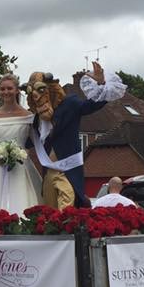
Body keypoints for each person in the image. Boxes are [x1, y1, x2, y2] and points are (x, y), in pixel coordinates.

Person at [26, 62, 127, 209]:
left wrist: (101, 83)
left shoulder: (69, 104)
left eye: (40, 89)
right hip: (48, 172)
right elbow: (27, 142)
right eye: (31, 92)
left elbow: (91, 105)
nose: (36, 96)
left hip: (67, 172)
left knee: (66, 209)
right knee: (49, 212)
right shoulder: (37, 119)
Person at [0, 73, 42, 216]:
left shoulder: (28, 116)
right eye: (2, 89)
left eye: (9, 88)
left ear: (17, 90)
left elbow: (35, 142)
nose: (6, 92)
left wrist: (25, 153)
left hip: (21, 166)